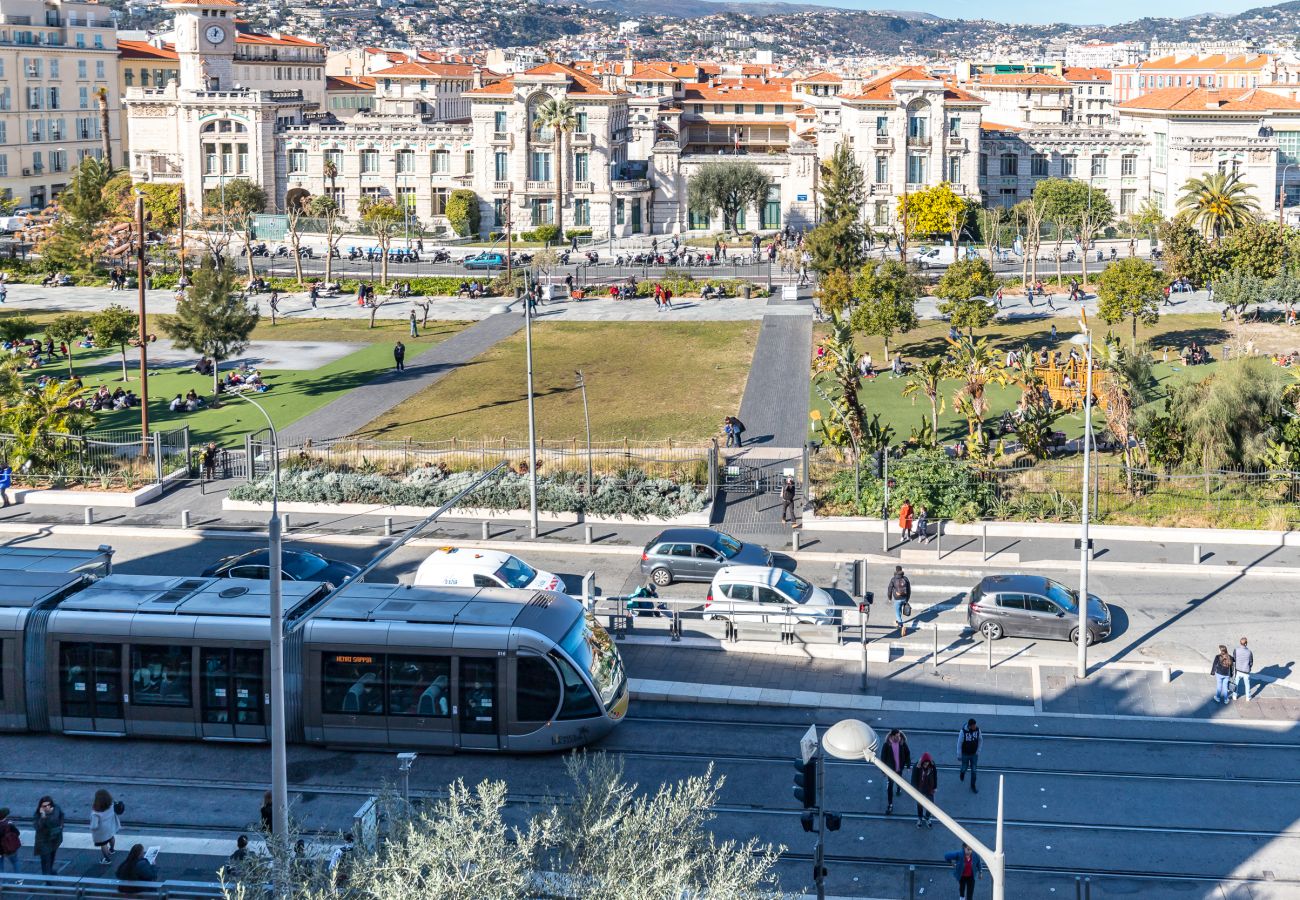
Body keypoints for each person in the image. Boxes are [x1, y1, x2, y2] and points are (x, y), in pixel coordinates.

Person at [881, 728, 911, 815]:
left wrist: (908, 765)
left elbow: (907, 753)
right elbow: (883, 757)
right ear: (892, 736)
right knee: (890, 786)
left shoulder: (902, 743)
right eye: (897, 736)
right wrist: (883, 770)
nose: (899, 737)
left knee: (899, 779)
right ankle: (890, 804)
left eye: (899, 735)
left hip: (899, 768)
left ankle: (898, 788)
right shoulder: (887, 745)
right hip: (891, 770)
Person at [89, 789, 121, 864]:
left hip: (101, 831)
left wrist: (91, 828)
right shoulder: (111, 805)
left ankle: (107, 859)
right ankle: (112, 850)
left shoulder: (95, 812)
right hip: (110, 826)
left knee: (103, 844)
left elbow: (94, 825)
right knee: (111, 837)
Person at [33, 795, 63, 875]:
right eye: (44, 806)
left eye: (48, 805)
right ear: (41, 807)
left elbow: (61, 816)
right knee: (45, 859)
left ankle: (50, 870)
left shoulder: (56, 809)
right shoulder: (38, 815)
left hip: (54, 838)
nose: (47, 807)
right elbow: (37, 827)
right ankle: (46, 877)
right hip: (44, 841)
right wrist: (43, 816)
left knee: (52, 856)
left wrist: (61, 825)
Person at [911, 752, 938, 827]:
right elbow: (913, 779)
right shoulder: (917, 767)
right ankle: (920, 818)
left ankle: (927, 817)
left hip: (930, 788)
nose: (926, 765)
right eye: (925, 764)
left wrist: (935, 787)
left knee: (931, 805)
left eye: (927, 763)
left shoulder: (932, 766)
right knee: (920, 805)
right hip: (920, 789)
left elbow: (935, 776)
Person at [957, 718, 982, 794]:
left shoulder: (977, 730)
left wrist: (978, 751)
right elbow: (959, 743)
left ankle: (973, 786)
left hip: (974, 754)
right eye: (974, 725)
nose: (975, 726)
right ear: (970, 726)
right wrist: (959, 754)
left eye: (975, 725)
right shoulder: (963, 732)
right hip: (965, 754)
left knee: (974, 771)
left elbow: (980, 740)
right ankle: (962, 773)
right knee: (964, 767)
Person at [889, 565, 912, 636]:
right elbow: (909, 590)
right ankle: (898, 621)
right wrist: (907, 599)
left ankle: (901, 626)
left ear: (896, 571)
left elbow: (889, 589)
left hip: (897, 599)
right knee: (899, 611)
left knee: (897, 612)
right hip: (904, 598)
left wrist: (889, 598)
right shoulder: (906, 579)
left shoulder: (893, 579)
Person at [1234, 637, 1254, 702]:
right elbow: (1251, 662)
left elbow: (1234, 658)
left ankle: (1234, 696)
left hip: (1238, 670)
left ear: (1240, 643)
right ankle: (1248, 697)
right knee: (1247, 685)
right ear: (1245, 644)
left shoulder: (1236, 650)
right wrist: (1249, 667)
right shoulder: (1249, 652)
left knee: (1236, 683)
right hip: (1246, 671)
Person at [0, 807, 20, 873]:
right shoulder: (9, 824)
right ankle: (19, 881)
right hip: (9, 848)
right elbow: (17, 833)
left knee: (0, 866)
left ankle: (1, 881)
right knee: (15, 862)